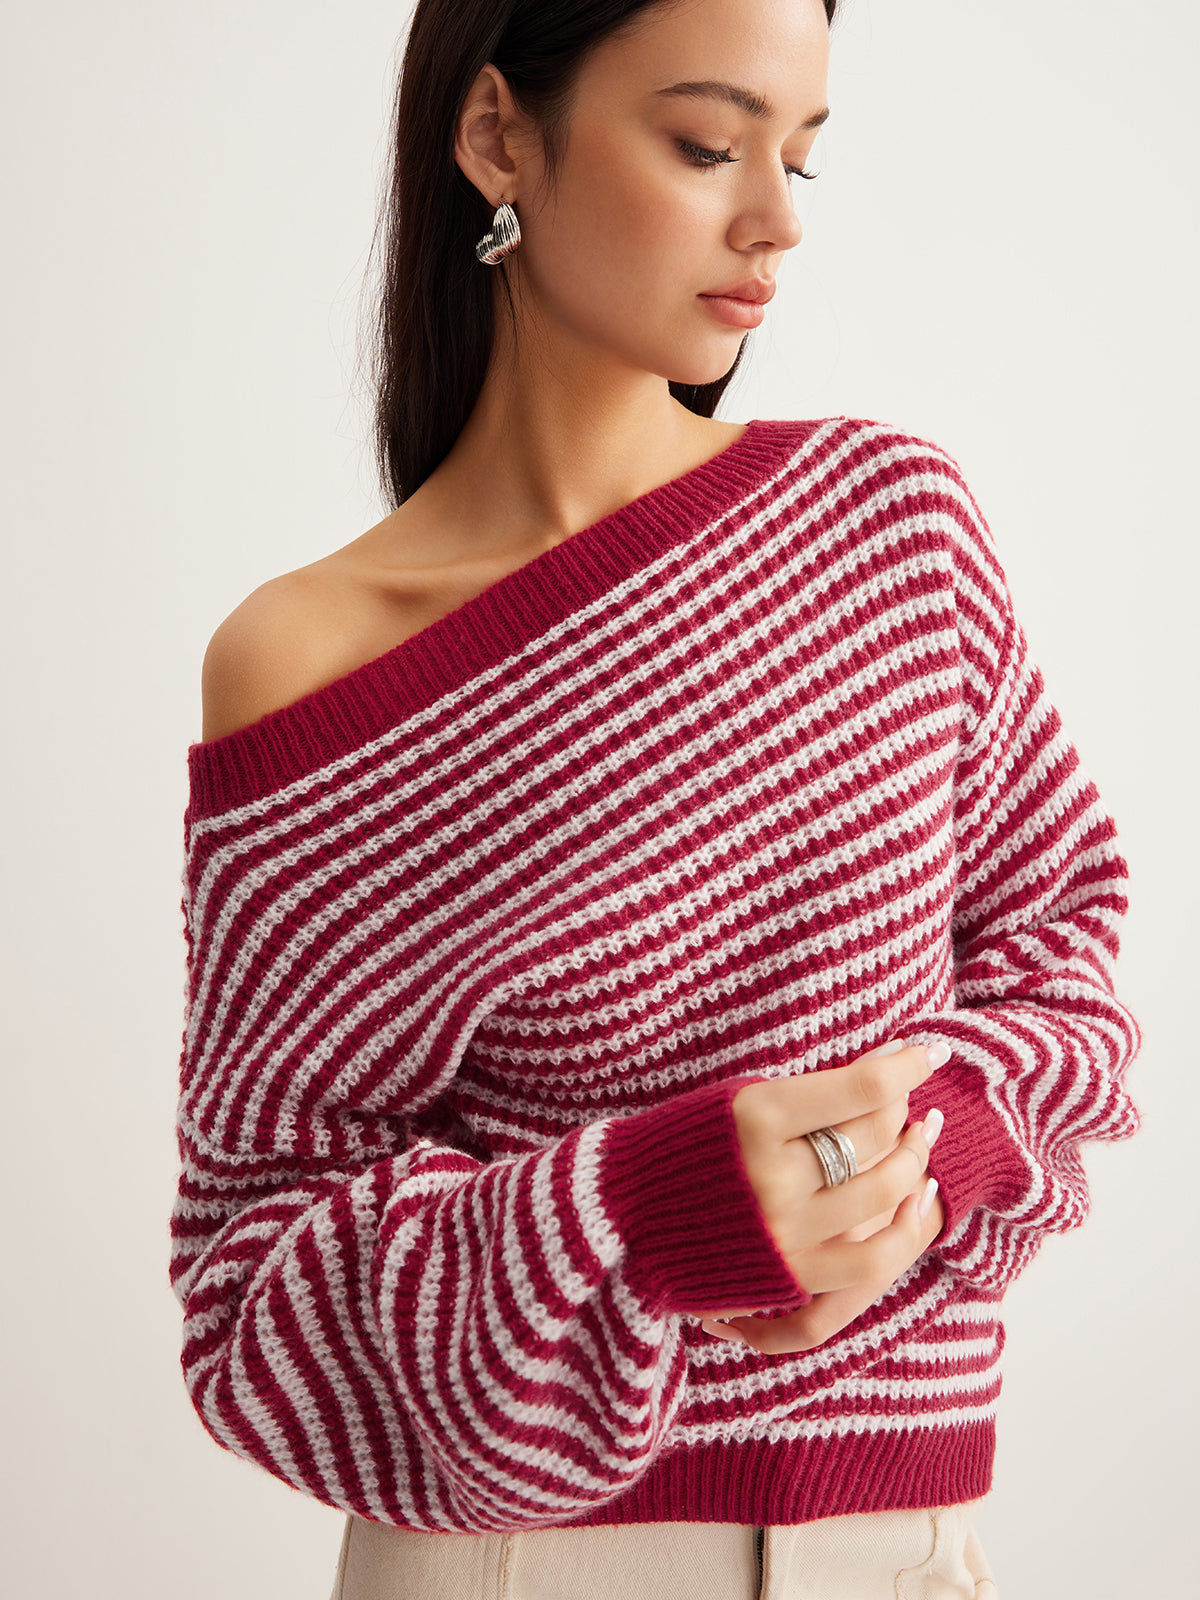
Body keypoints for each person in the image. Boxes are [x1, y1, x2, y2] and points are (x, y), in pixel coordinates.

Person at [168, 0, 1142, 1595]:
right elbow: (253, 1298)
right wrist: (648, 1212)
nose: (776, 219)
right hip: (513, 1565)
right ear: (498, 136)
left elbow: (1065, 959)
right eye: (705, 144)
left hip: (902, 1552)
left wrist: (926, 1151)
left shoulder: (890, 530)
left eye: (799, 158)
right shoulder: (312, 666)